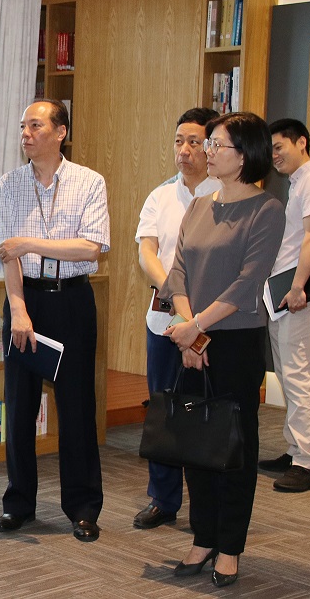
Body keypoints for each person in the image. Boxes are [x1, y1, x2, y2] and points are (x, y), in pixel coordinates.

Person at [161, 112, 285, 587]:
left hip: (234, 342)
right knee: (196, 443)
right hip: (193, 337)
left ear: (246, 154)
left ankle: (229, 545)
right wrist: (189, 331)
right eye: (207, 144)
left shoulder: (266, 209)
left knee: (234, 446)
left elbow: (247, 283)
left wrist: (196, 328)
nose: (207, 152)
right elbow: (178, 273)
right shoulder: (198, 205)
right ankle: (203, 536)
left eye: (217, 145)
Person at [0, 99, 109, 542]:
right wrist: (18, 309)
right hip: (25, 300)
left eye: (36, 125)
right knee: (19, 406)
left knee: (77, 407)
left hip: (72, 301)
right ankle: (18, 504)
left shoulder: (89, 182)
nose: (26, 133)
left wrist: (29, 243)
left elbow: (91, 247)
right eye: (23, 126)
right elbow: (7, 253)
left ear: (61, 132)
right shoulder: (9, 184)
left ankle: (83, 507)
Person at [133, 107, 220, 530]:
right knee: (165, 408)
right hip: (166, 319)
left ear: (212, 147)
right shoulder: (160, 195)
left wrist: (194, 313)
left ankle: (209, 501)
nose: (184, 150)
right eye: (178, 141)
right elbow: (146, 251)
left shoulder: (227, 194)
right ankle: (163, 498)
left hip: (213, 319)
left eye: (194, 142)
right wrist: (174, 291)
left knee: (207, 410)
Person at [260, 118, 310, 492]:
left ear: (301, 142)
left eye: (279, 147)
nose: (274, 155)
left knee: (299, 377)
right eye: (271, 149)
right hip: (287, 295)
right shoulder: (300, 183)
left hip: (302, 296)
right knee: (290, 375)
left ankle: (307, 464)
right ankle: (296, 451)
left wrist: (296, 289)